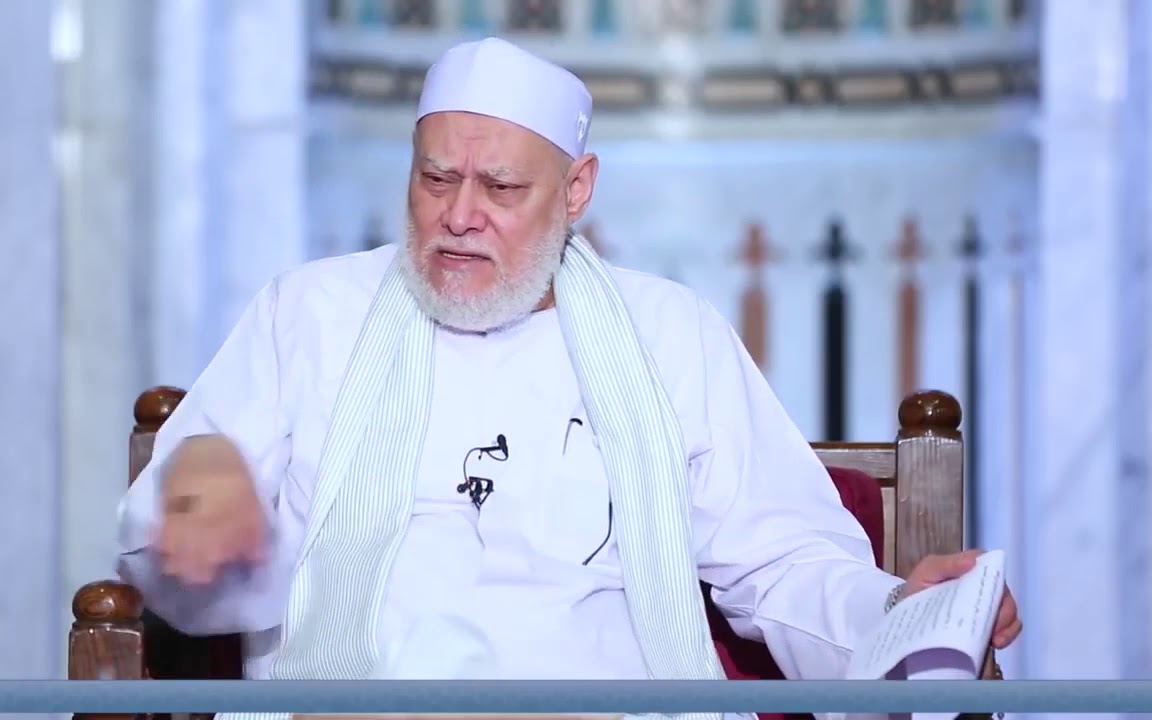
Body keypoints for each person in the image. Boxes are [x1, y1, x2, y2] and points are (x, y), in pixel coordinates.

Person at [116, 37, 1021, 719]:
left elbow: (783, 564)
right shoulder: (306, 315)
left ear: (576, 190)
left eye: (501, 189)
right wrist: (199, 525)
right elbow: (176, 557)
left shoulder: (671, 335)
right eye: (436, 179)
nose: (459, 215)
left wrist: (901, 613)